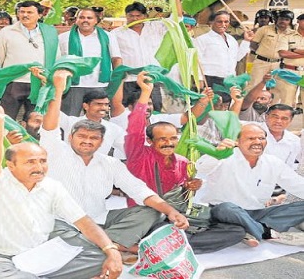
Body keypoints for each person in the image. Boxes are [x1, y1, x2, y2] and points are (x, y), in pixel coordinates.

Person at [41, 70, 188, 260]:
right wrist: (58, 89)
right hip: (64, 223)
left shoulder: (110, 163)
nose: (87, 141)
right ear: (70, 137)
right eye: (82, 136)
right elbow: (49, 128)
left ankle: (107, 244)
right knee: (51, 231)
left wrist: (172, 211)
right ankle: (114, 245)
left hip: (101, 220)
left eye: (93, 138)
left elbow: (140, 191)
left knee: (153, 210)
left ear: (101, 142)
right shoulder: (56, 151)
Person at [0, 94, 123, 279]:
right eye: (30, 162)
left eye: (43, 161)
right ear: (11, 165)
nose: (39, 167)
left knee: (101, 260)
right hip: (3, 258)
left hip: (42, 256)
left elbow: (83, 221)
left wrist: (111, 251)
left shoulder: (52, 186)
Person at [125, 73, 246, 253]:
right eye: (162, 139)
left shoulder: (182, 162)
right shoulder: (138, 156)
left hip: (178, 215)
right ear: (150, 141)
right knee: (160, 230)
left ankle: (175, 245)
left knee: (236, 231)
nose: (168, 143)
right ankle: (174, 243)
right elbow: (135, 128)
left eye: (173, 138)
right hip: (149, 216)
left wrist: (192, 186)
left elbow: (185, 192)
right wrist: (145, 93)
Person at [197, 124, 304, 246]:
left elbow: (298, 185)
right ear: (237, 141)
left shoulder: (273, 162)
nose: (257, 142)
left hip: (258, 213)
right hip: (227, 212)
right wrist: (216, 153)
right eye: (251, 138)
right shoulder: (224, 156)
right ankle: (265, 232)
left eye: (261, 138)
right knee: (226, 208)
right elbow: (200, 168)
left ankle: (254, 229)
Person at [0, 0, 59, 119]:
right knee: (6, 120)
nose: (25, 15)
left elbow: (56, 57)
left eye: (30, 12)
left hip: (40, 82)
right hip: (13, 82)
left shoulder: (50, 32)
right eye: (22, 12)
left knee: (35, 122)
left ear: (39, 15)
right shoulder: (7, 32)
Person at [58, 7, 122, 116]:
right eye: (81, 17)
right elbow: (58, 62)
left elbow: (116, 59)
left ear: (96, 20)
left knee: (97, 117)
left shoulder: (108, 36)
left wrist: (117, 82)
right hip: (73, 86)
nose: (85, 20)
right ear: (76, 19)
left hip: (99, 85)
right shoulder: (63, 37)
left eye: (89, 18)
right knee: (70, 118)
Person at [112, 2, 171, 111]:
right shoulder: (116, 33)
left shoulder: (156, 27)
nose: (135, 19)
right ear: (126, 16)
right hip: (129, 80)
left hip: (152, 79)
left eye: (138, 16)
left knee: (154, 110)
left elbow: (178, 19)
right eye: (131, 16)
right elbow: (115, 58)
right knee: (129, 111)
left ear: (145, 16)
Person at [58, 88, 126, 159]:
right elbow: (51, 110)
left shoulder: (114, 129)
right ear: (85, 106)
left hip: (96, 168)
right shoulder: (70, 122)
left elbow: (130, 149)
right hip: (69, 166)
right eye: (98, 104)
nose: (103, 108)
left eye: (106, 104)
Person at [195, 11, 253, 88]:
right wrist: (199, 79)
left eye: (226, 22)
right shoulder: (202, 39)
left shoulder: (231, 40)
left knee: (228, 100)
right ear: (212, 22)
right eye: (219, 22)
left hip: (229, 80)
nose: (223, 24)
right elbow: (196, 60)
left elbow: (237, 57)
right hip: (210, 79)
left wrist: (246, 41)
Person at [248, 9, 294, 92]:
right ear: (277, 19)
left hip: (278, 64)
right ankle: (248, 105)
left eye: (286, 19)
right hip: (261, 62)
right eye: (281, 19)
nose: (283, 21)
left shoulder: (292, 34)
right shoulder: (264, 29)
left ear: (290, 22)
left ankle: (270, 105)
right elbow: (253, 45)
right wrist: (264, 53)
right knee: (253, 86)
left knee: (274, 88)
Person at [276, 13, 304, 107]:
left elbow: (287, 52)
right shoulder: (287, 36)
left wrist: (294, 50)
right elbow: (283, 53)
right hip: (290, 71)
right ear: (298, 21)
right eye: (303, 20)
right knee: (286, 103)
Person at [260, 104, 300, 169]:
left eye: (284, 118)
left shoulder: (295, 141)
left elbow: (289, 166)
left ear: (290, 120)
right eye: (275, 117)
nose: (278, 121)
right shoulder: (251, 131)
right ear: (266, 117)